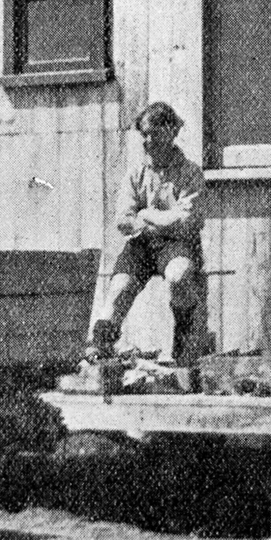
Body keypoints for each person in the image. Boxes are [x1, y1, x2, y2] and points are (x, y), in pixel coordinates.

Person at [91, 102, 208, 365]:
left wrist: (146, 214)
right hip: (142, 246)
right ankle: (101, 353)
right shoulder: (136, 174)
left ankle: (184, 345)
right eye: (144, 134)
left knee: (180, 276)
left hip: (178, 245)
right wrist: (156, 221)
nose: (147, 140)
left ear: (170, 132)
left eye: (153, 133)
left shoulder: (190, 173)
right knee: (118, 290)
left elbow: (187, 220)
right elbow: (123, 220)